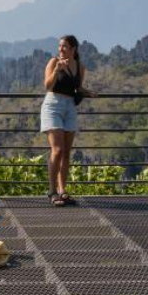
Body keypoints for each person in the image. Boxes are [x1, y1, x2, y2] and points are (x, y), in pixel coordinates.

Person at [41, 35, 87, 207]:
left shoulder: (80, 66)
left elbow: (77, 87)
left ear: (73, 49)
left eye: (64, 46)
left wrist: (88, 92)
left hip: (70, 108)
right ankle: (52, 191)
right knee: (58, 150)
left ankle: (62, 190)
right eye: (60, 46)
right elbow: (47, 86)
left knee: (66, 152)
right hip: (53, 105)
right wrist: (56, 70)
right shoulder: (53, 62)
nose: (61, 49)